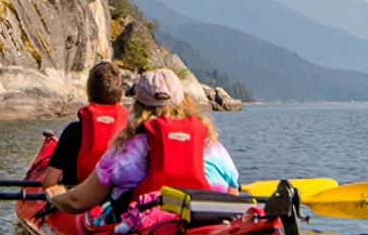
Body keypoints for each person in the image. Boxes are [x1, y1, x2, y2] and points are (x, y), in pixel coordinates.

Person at [49, 68, 238, 221]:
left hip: (139, 232)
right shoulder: (214, 149)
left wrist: (54, 197)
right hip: (201, 227)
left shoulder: (124, 152)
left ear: (137, 106)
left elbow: (76, 202)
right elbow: (232, 193)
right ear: (184, 101)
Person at [40, 61, 129, 195]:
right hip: (117, 202)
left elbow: (49, 182)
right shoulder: (133, 132)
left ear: (89, 95)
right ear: (121, 96)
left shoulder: (73, 131)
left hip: (78, 202)